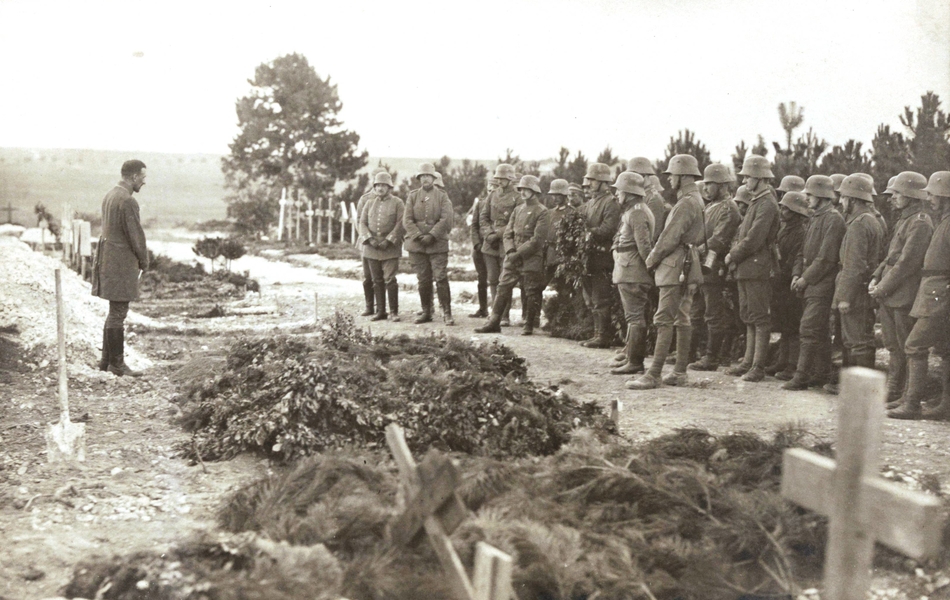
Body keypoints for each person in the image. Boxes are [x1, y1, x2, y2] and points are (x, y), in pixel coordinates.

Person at [627, 154, 704, 390]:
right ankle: (679, 372)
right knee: (682, 317)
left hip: (675, 265)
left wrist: (651, 259)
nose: (669, 180)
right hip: (689, 264)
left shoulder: (685, 203)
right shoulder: (696, 199)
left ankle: (654, 374)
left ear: (682, 176)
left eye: (672, 175)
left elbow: (669, 237)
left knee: (663, 319)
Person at [887, 171, 950, 420]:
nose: (930, 198)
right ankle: (943, 405)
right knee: (945, 350)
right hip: (933, 289)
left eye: (934, 194)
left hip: (939, 292)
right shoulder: (943, 220)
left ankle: (912, 403)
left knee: (914, 344)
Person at [869, 172, 932, 404]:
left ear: (911, 195)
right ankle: (894, 390)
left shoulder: (920, 222)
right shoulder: (905, 220)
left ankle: (905, 394)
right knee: (892, 345)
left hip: (903, 292)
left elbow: (907, 263)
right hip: (891, 290)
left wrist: (882, 287)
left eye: (897, 193)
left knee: (905, 345)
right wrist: (877, 276)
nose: (892, 198)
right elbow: (891, 256)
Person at [783, 175, 846, 391]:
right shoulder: (815, 217)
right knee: (818, 332)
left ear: (821, 195)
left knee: (809, 328)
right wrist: (796, 274)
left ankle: (801, 376)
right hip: (809, 282)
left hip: (822, 284)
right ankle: (821, 374)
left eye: (810, 195)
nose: (807, 199)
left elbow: (826, 258)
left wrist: (804, 278)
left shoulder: (834, 219)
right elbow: (802, 251)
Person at [824, 174, 885, 394]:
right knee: (856, 339)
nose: (841, 201)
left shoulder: (860, 224)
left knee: (858, 341)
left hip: (856, 291)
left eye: (844, 197)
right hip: (861, 288)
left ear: (853, 199)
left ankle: (861, 391)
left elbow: (854, 265)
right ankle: (854, 387)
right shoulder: (870, 220)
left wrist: (844, 297)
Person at [723, 155, 780, 382]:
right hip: (748, 267)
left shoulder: (767, 203)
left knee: (759, 317)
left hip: (757, 267)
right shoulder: (759, 201)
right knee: (748, 315)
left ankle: (757, 366)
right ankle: (748, 361)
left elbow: (754, 238)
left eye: (748, 177)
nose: (744, 181)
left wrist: (733, 255)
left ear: (758, 177)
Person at [91, 159, 149, 377]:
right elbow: (136, 237)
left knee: (113, 312)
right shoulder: (128, 201)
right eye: (143, 178)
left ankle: (106, 361)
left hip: (109, 261)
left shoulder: (110, 195)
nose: (144, 182)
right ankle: (117, 365)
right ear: (134, 177)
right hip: (121, 264)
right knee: (118, 313)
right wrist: (144, 261)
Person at [475, 175, 550, 335]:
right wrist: (510, 251)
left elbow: (537, 240)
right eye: (521, 189)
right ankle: (494, 321)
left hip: (530, 257)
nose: (523, 192)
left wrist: (518, 254)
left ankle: (529, 324)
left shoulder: (542, 212)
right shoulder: (518, 209)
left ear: (534, 191)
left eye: (526, 189)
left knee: (530, 289)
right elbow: (508, 233)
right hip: (513, 254)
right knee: (503, 286)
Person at [689, 163, 741, 372]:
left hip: (713, 265)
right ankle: (689, 352)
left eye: (711, 184)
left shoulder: (729, 208)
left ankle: (711, 357)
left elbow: (719, 239)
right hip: (700, 263)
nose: (706, 188)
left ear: (722, 185)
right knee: (695, 310)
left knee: (712, 312)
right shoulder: (710, 206)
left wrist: (698, 248)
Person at [609, 172, 654, 375]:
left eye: (619, 190)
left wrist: (649, 269)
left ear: (627, 192)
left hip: (633, 272)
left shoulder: (637, 212)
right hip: (628, 270)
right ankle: (630, 358)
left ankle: (635, 362)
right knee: (632, 317)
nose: (616, 193)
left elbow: (643, 246)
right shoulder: (635, 210)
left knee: (635, 317)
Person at [404, 163, 455, 325]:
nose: (425, 178)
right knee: (423, 279)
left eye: (428, 176)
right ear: (419, 178)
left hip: (437, 243)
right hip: (418, 244)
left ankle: (447, 312)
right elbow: (407, 220)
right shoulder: (412, 196)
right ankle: (426, 311)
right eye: (422, 176)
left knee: (440, 277)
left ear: (434, 178)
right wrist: (418, 235)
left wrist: (432, 235)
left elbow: (445, 219)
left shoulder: (442, 196)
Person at [579, 163, 622, 348]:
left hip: (602, 257)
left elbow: (608, 229)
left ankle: (603, 337)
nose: (589, 183)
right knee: (592, 298)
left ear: (604, 182)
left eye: (593, 180)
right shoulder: (591, 203)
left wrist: (588, 232)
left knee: (601, 299)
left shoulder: (611, 203)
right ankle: (597, 334)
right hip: (589, 257)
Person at [768, 191, 810, 379]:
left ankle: (792, 365)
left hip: (789, 283)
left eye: (786, 208)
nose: (782, 210)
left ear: (795, 211)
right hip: (780, 282)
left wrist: (783, 272)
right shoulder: (785, 229)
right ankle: (782, 361)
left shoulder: (800, 232)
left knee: (793, 326)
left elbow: (795, 258)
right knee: (785, 325)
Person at [359, 172, 405, 322]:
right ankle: (380, 311)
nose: (380, 188)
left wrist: (389, 240)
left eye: (383, 185)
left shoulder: (398, 203)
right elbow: (362, 223)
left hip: (389, 248)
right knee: (376, 280)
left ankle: (393, 312)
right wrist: (369, 239)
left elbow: (400, 223)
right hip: (372, 248)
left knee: (390, 279)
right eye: (377, 185)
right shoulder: (369, 203)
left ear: (389, 187)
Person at [479, 164, 521, 326]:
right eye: (499, 178)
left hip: (506, 243)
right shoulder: (492, 195)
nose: (501, 181)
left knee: (505, 280)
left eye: (504, 178)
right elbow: (483, 217)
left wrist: (497, 234)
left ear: (510, 179)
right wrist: (488, 233)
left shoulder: (517, 198)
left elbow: (515, 221)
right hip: (490, 244)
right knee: (492, 279)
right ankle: (494, 313)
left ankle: (504, 315)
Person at [356, 166, 388, 317]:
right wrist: (367, 238)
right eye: (376, 179)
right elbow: (359, 221)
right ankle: (369, 306)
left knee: (384, 276)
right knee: (368, 276)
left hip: (385, 243)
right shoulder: (365, 199)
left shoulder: (391, 199)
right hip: (367, 243)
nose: (380, 185)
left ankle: (382, 308)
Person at [539, 178, 573, 315]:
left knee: (564, 289)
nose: (555, 198)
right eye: (553, 195)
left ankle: (561, 320)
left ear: (565, 196)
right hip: (549, 254)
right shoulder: (550, 213)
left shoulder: (572, 213)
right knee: (539, 286)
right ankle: (534, 318)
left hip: (564, 256)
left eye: (558, 195)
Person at [468, 173, 494, 318]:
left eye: (494, 190)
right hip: (480, 248)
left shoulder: (501, 206)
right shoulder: (480, 204)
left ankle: (498, 312)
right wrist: (477, 244)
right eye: (489, 190)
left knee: (495, 279)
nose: (491, 193)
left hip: (493, 248)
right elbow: (474, 226)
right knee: (481, 278)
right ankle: (483, 309)